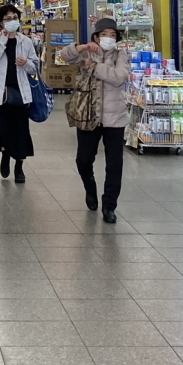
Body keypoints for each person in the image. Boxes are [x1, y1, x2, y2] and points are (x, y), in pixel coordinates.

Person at [60, 18, 130, 223]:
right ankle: (90, 188)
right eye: (104, 34)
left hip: (115, 118)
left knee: (114, 165)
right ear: (96, 37)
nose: (109, 38)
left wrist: (94, 67)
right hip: (88, 114)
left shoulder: (120, 55)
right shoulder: (88, 52)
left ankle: (109, 205)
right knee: (83, 159)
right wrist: (81, 48)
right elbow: (64, 56)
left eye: (113, 35)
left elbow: (119, 77)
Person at [0, 1, 40, 183]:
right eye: (8, 19)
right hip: (1, 93)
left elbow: (35, 67)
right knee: (2, 130)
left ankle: (19, 166)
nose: (13, 21)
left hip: (20, 92)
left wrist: (26, 63)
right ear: (1, 22)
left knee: (20, 130)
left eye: (15, 18)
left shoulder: (26, 41)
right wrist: (3, 41)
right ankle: (5, 156)